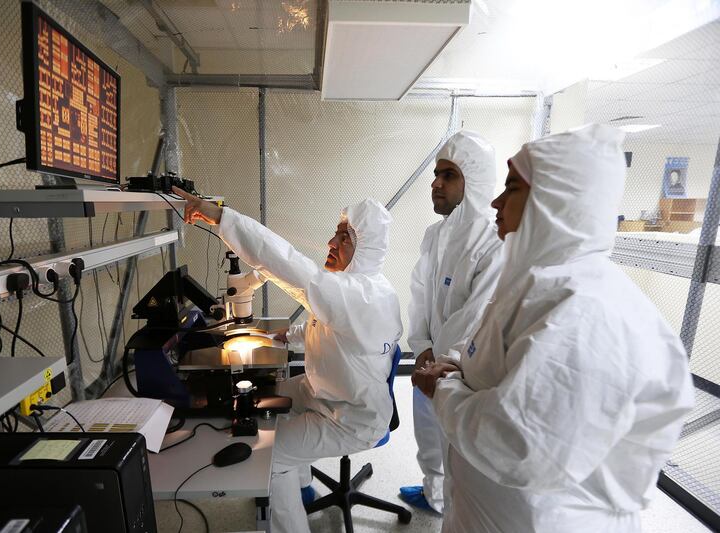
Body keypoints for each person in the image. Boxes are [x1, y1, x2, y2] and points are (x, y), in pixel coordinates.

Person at [413, 124, 695, 532]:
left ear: (554, 199)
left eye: (511, 187)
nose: (495, 201)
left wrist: (445, 388)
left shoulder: (586, 312)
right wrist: (455, 364)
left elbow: (517, 444)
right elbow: (489, 350)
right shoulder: (537, 284)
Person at [172, 189, 403, 533]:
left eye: (344, 237)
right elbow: (330, 322)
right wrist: (289, 334)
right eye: (335, 233)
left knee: (270, 458)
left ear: (365, 249)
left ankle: (289, 507)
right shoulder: (363, 287)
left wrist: (223, 218)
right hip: (325, 391)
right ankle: (301, 487)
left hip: (352, 417)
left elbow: (287, 264)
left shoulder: (358, 295)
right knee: (271, 394)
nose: (331, 242)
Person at [401, 131, 503, 514]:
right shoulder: (435, 235)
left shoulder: (493, 242)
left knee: (452, 440)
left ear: (472, 182)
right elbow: (419, 294)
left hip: (460, 365)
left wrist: (440, 357)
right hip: (427, 354)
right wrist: (421, 344)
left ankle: (449, 501)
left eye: (448, 175)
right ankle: (432, 491)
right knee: (427, 431)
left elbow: (477, 314)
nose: (436, 183)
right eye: (436, 174)